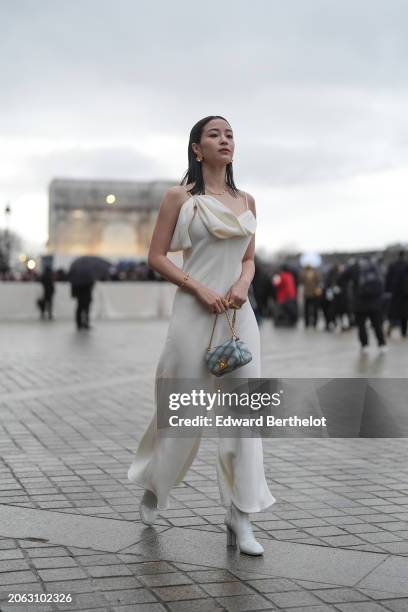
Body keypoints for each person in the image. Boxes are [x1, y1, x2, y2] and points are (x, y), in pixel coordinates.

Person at [127, 116, 275, 556]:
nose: (225, 140)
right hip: (194, 313)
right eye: (215, 134)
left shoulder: (247, 199)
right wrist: (198, 287)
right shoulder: (180, 198)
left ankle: (240, 516)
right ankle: (155, 487)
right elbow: (156, 256)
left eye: (230, 134)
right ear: (197, 149)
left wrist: (243, 285)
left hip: (237, 316)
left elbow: (248, 259)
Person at [339, 256, 387, 354]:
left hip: (359, 302)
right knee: (377, 324)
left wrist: (349, 288)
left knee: (361, 325)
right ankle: (382, 344)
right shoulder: (375, 266)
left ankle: (364, 345)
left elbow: (340, 279)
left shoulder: (355, 267)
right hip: (375, 302)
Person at [385, 250, 408, 338]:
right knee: (404, 315)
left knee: (393, 314)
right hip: (405, 294)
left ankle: (389, 330)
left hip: (394, 294)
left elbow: (387, 279)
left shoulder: (392, 265)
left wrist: (387, 291)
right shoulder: (406, 265)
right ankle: (404, 333)